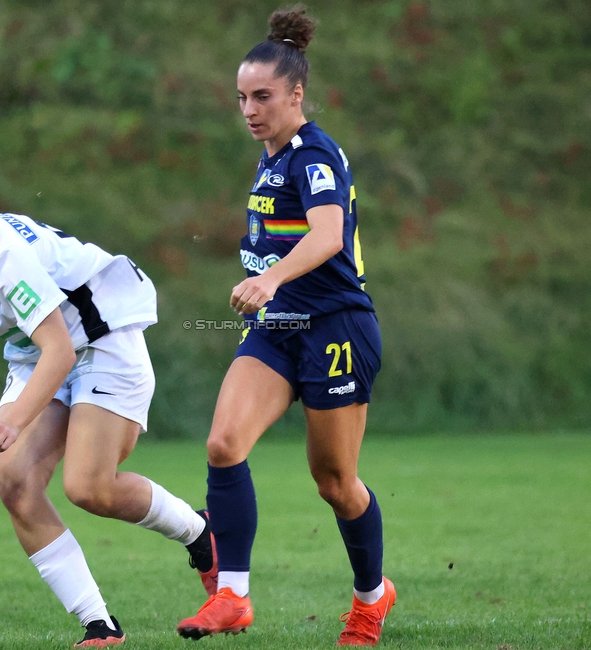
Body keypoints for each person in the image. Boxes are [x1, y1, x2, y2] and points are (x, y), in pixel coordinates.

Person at [0, 152, 217, 648]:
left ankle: (201, 534)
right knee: (15, 483)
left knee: (89, 488)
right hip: (41, 350)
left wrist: (12, 423)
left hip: (101, 338)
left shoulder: (1, 253)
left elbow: (61, 349)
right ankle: (100, 625)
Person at [175, 5, 395, 647]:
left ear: (296, 94)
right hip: (279, 327)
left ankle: (370, 597)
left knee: (334, 482)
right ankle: (233, 597)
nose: (249, 108)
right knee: (223, 444)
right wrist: (267, 283)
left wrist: (270, 278)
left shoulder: (313, 154)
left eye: (263, 96)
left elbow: (328, 234)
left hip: (336, 329)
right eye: (241, 96)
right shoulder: (270, 159)